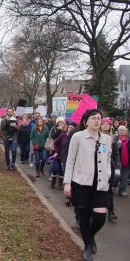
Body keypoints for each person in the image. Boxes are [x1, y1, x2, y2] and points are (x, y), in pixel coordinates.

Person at [64, 109, 111, 261]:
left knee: (100, 217)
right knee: (83, 216)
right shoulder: (78, 137)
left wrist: (108, 173)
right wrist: (67, 183)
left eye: (99, 118)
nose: (97, 121)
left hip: (100, 184)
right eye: (93, 118)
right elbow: (70, 161)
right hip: (81, 183)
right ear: (86, 121)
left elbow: (108, 159)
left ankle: (90, 236)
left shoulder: (106, 139)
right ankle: (87, 245)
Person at [101, 118, 121, 221]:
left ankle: (111, 211)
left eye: (107, 124)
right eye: (103, 124)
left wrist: (117, 167)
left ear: (110, 126)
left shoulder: (113, 138)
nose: (105, 125)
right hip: (99, 167)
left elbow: (116, 154)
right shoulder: (97, 137)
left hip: (110, 166)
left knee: (108, 190)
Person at [115, 125, 130, 197]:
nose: (122, 131)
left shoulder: (129, 140)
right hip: (118, 162)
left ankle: (122, 190)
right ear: (118, 132)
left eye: (123, 130)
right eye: (120, 130)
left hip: (127, 162)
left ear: (126, 132)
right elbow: (114, 150)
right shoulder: (116, 139)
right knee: (118, 176)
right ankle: (113, 185)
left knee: (125, 177)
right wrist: (118, 145)